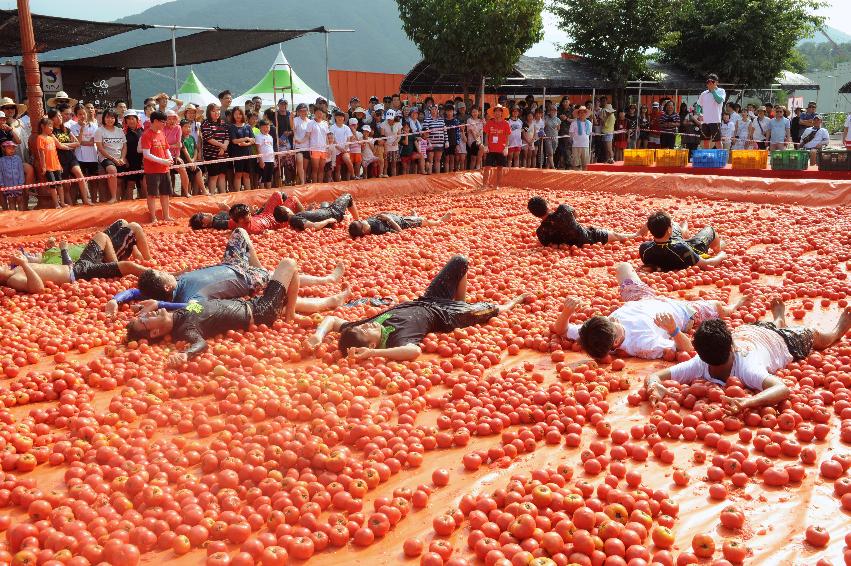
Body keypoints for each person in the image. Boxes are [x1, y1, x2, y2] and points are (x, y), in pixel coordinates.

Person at [125, 258, 348, 367]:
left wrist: (158, 304)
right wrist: (186, 355)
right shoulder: (186, 328)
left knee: (293, 291)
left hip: (250, 304)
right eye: (145, 322)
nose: (148, 315)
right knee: (288, 264)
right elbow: (201, 344)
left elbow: (189, 307)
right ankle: (290, 315)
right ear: (153, 334)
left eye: (144, 315)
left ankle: (319, 304)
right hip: (258, 312)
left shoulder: (185, 312)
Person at [307, 255, 529, 361]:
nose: (368, 325)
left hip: (429, 299)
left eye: (362, 327)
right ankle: (513, 303)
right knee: (491, 310)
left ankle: (461, 301)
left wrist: (318, 335)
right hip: (446, 316)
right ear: (373, 343)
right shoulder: (395, 340)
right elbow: (414, 352)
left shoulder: (366, 327)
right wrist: (373, 354)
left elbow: (333, 321)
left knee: (460, 262)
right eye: (367, 331)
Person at [645, 299, 851, 412]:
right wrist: (654, 386)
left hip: (767, 336)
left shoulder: (737, 366)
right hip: (764, 336)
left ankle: (836, 329)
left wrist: (747, 402)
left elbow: (782, 388)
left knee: (817, 337)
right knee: (782, 330)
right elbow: (783, 388)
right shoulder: (704, 364)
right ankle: (779, 321)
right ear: (732, 345)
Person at [107, 227, 345, 315]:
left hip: (230, 265)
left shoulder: (171, 285)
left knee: (240, 233)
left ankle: (262, 269)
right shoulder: (190, 299)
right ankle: (326, 285)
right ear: (167, 287)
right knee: (280, 276)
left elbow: (138, 292)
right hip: (246, 279)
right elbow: (194, 309)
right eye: (165, 274)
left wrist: (117, 300)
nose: (169, 272)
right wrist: (161, 306)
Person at [556, 262, 751, 359]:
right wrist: (674, 329)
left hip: (641, 299)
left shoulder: (593, 333)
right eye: (614, 324)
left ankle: (650, 268)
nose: (614, 319)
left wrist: (566, 313)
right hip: (684, 312)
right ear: (616, 342)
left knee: (623, 267)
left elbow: (561, 331)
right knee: (719, 307)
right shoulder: (644, 344)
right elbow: (688, 349)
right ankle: (734, 306)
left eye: (611, 319)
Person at [0, 220, 148, 293]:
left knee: (101, 236)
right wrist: (25, 264)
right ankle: (167, 276)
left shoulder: (21, 267)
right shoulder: (13, 278)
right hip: (76, 273)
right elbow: (38, 288)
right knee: (129, 266)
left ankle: (114, 266)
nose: (3, 264)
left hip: (76, 267)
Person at [528, 196, 644, 248]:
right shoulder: (563, 210)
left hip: (572, 247)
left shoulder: (541, 232)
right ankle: (635, 235)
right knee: (615, 235)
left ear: (534, 214)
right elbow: (576, 214)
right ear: (547, 205)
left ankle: (634, 235)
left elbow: (551, 246)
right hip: (589, 238)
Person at [639, 211, 726, 272]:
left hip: (671, 244)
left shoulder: (644, 248)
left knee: (676, 227)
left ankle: (684, 228)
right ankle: (719, 247)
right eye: (670, 226)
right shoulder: (681, 248)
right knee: (710, 230)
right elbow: (705, 264)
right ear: (669, 230)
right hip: (692, 248)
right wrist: (721, 256)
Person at [189, 191, 301, 234]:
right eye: (202, 216)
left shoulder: (235, 222)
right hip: (277, 220)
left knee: (278, 194)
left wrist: (255, 212)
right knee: (294, 198)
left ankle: (292, 209)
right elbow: (269, 232)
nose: (204, 214)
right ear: (242, 219)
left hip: (265, 214)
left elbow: (227, 222)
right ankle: (304, 216)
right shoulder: (252, 229)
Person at [140, 111, 172, 223]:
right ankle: (153, 217)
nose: (164, 124)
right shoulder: (146, 135)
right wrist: (163, 161)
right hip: (152, 170)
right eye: (163, 122)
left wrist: (170, 158)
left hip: (164, 169)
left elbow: (166, 148)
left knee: (165, 193)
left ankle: (166, 216)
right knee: (152, 194)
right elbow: (146, 154)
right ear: (155, 121)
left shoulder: (162, 133)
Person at [277, 193, 359, 232]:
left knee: (324, 203)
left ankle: (344, 216)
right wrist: (328, 220)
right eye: (285, 207)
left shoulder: (294, 219)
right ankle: (357, 220)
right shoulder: (295, 219)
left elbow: (306, 219)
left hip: (326, 210)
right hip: (333, 212)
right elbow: (313, 226)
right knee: (348, 196)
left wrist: (309, 210)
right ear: (287, 211)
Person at [94, 108, 126, 203]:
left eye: (112, 117)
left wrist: (122, 158)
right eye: (107, 117)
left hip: (119, 157)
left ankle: (119, 199)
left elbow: (124, 146)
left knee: (120, 181)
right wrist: (113, 159)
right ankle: (113, 197)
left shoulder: (120, 130)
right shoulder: (99, 131)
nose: (110, 120)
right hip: (106, 158)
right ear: (104, 118)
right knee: (112, 170)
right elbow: (100, 148)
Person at [348, 211, 451, 238]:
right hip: (403, 223)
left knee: (413, 218)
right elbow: (399, 231)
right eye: (362, 223)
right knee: (423, 221)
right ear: (364, 231)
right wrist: (388, 218)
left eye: (361, 220)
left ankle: (415, 217)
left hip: (397, 217)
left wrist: (385, 214)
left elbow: (376, 217)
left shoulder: (367, 223)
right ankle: (439, 222)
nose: (363, 221)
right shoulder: (379, 229)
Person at [200, 103, 230, 194]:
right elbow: (208, 138)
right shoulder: (206, 123)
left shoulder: (223, 122)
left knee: (222, 175)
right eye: (213, 111)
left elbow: (227, 137)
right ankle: (212, 195)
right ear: (209, 112)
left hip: (223, 154)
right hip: (211, 154)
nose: (216, 112)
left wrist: (224, 147)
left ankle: (223, 195)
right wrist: (222, 146)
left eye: (218, 110)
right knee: (213, 176)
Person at [36, 117, 64, 208]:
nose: (51, 128)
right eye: (49, 126)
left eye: (52, 126)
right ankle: (56, 204)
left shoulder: (51, 138)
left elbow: (55, 153)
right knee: (53, 186)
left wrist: (59, 165)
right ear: (42, 126)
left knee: (60, 184)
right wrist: (44, 167)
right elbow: (41, 153)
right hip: (48, 167)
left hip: (56, 166)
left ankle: (62, 203)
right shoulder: (40, 138)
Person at [482, 105, 511, 189]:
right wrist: (486, 145)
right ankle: (484, 185)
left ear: (502, 113)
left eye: (499, 111)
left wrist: (506, 147)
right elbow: (486, 135)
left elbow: (507, 136)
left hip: (501, 149)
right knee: (487, 167)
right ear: (493, 113)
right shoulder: (489, 123)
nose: (497, 113)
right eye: (496, 111)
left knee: (500, 167)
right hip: (490, 149)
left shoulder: (506, 123)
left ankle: (497, 185)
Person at [695, 74, 726, 149]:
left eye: (712, 81)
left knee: (717, 140)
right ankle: (707, 157)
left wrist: (713, 91)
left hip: (715, 120)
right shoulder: (704, 93)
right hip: (705, 121)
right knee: (705, 140)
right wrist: (699, 113)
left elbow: (719, 101)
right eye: (708, 82)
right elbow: (698, 105)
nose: (710, 83)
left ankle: (720, 158)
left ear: (716, 83)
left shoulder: (721, 91)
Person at [123, 111, 146, 200]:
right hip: (129, 161)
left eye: (133, 118)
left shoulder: (143, 131)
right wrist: (124, 158)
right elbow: (122, 147)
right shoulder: (124, 132)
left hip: (142, 161)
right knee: (130, 183)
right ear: (125, 121)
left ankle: (143, 204)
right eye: (128, 119)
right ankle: (129, 205)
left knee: (142, 183)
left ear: (137, 120)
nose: (130, 121)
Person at [180, 119, 206, 195]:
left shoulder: (192, 138)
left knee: (198, 171)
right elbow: (185, 151)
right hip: (185, 163)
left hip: (193, 162)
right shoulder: (181, 139)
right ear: (180, 128)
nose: (188, 128)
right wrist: (190, 162)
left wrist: (193, 160)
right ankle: (185, 194)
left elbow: (195, 149)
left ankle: (203, 190)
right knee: (187, 180)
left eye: (189, 127)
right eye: (185, 127)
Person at [0, 140, 26, 210]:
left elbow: (21, 171)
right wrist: (2, 184)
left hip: (18, 185)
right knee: (11, 201)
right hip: (8, 186)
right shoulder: (1, 161)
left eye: (13, 148)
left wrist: (21, 183)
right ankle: (13, 218)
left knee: (20, 200)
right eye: (9, 148)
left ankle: (21, 216)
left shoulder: (18, 159)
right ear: (4, 149)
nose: (11, 150)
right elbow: (1, 173)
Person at [306, 107, 329, 183]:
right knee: (315, 168)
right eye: (317, 113)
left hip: (323, 149)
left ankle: (320, 185)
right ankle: (315, 185)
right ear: (314, 113)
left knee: (321, 169)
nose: (319, 115)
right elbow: (308, 135)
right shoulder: (310, 123)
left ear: (323, 114)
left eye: (321, 113)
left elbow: (326, 137)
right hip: (314, 149)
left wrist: (327, 148)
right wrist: (300, 141)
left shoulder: (325, 123)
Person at [423, 104, 445, 175]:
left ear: (437, 110)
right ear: (430, 111)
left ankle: (437, 177)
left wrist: (446, 141)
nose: (434, 110)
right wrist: (428, 142)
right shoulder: (427, 120)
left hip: (440, 143)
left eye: (435, 109)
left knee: (438, 160)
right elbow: (425, 133)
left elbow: (444, 131)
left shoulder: (441, 119)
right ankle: (429, 176)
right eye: (432, 109)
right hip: (431, 143)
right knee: (430, 160)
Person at [569, 106, 592, 170]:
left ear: (586, 114)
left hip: (585, 145)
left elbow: (589, 133)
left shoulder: (589, 123)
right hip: (576, 145)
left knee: (585, 164)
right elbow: (571, 134)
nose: (582, 114)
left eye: (583, 113)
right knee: (575, 164)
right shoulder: (574, 123)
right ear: (578, 114)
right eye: (580, 113)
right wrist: (573, 141)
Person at [381, 109, 402, 177]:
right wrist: (385, 148)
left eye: (391, 119)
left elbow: (399, 136)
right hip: (386, 146)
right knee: (385, 164)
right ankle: (384, 176)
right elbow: (382, 137)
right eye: (388, 119)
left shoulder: (398, 124)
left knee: (394, 164)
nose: (389, 120)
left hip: (395, 147)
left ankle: (394, 178)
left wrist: (396, 141)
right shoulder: (383, 124)